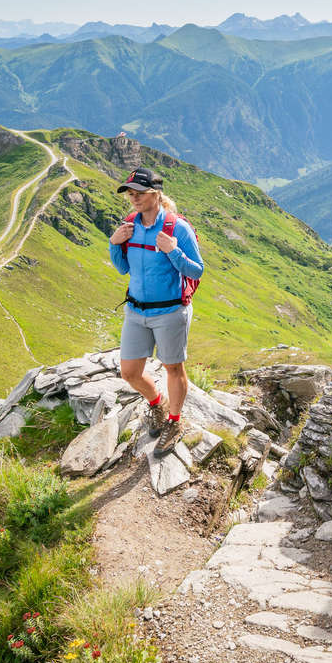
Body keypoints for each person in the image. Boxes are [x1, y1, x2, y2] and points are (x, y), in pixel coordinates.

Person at [108, 166, 204, 455]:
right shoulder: (129, 226)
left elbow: (197, 270)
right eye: (130, 193)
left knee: (173, 368)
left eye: (139, 193)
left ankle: (174, 422)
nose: (133, 198)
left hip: (169, 312)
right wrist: (114, 244)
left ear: (156, 194)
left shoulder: (176, 228)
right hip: (136, 311)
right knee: (130, 372)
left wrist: (173, 250)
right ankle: (157, 403)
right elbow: (124, 267)